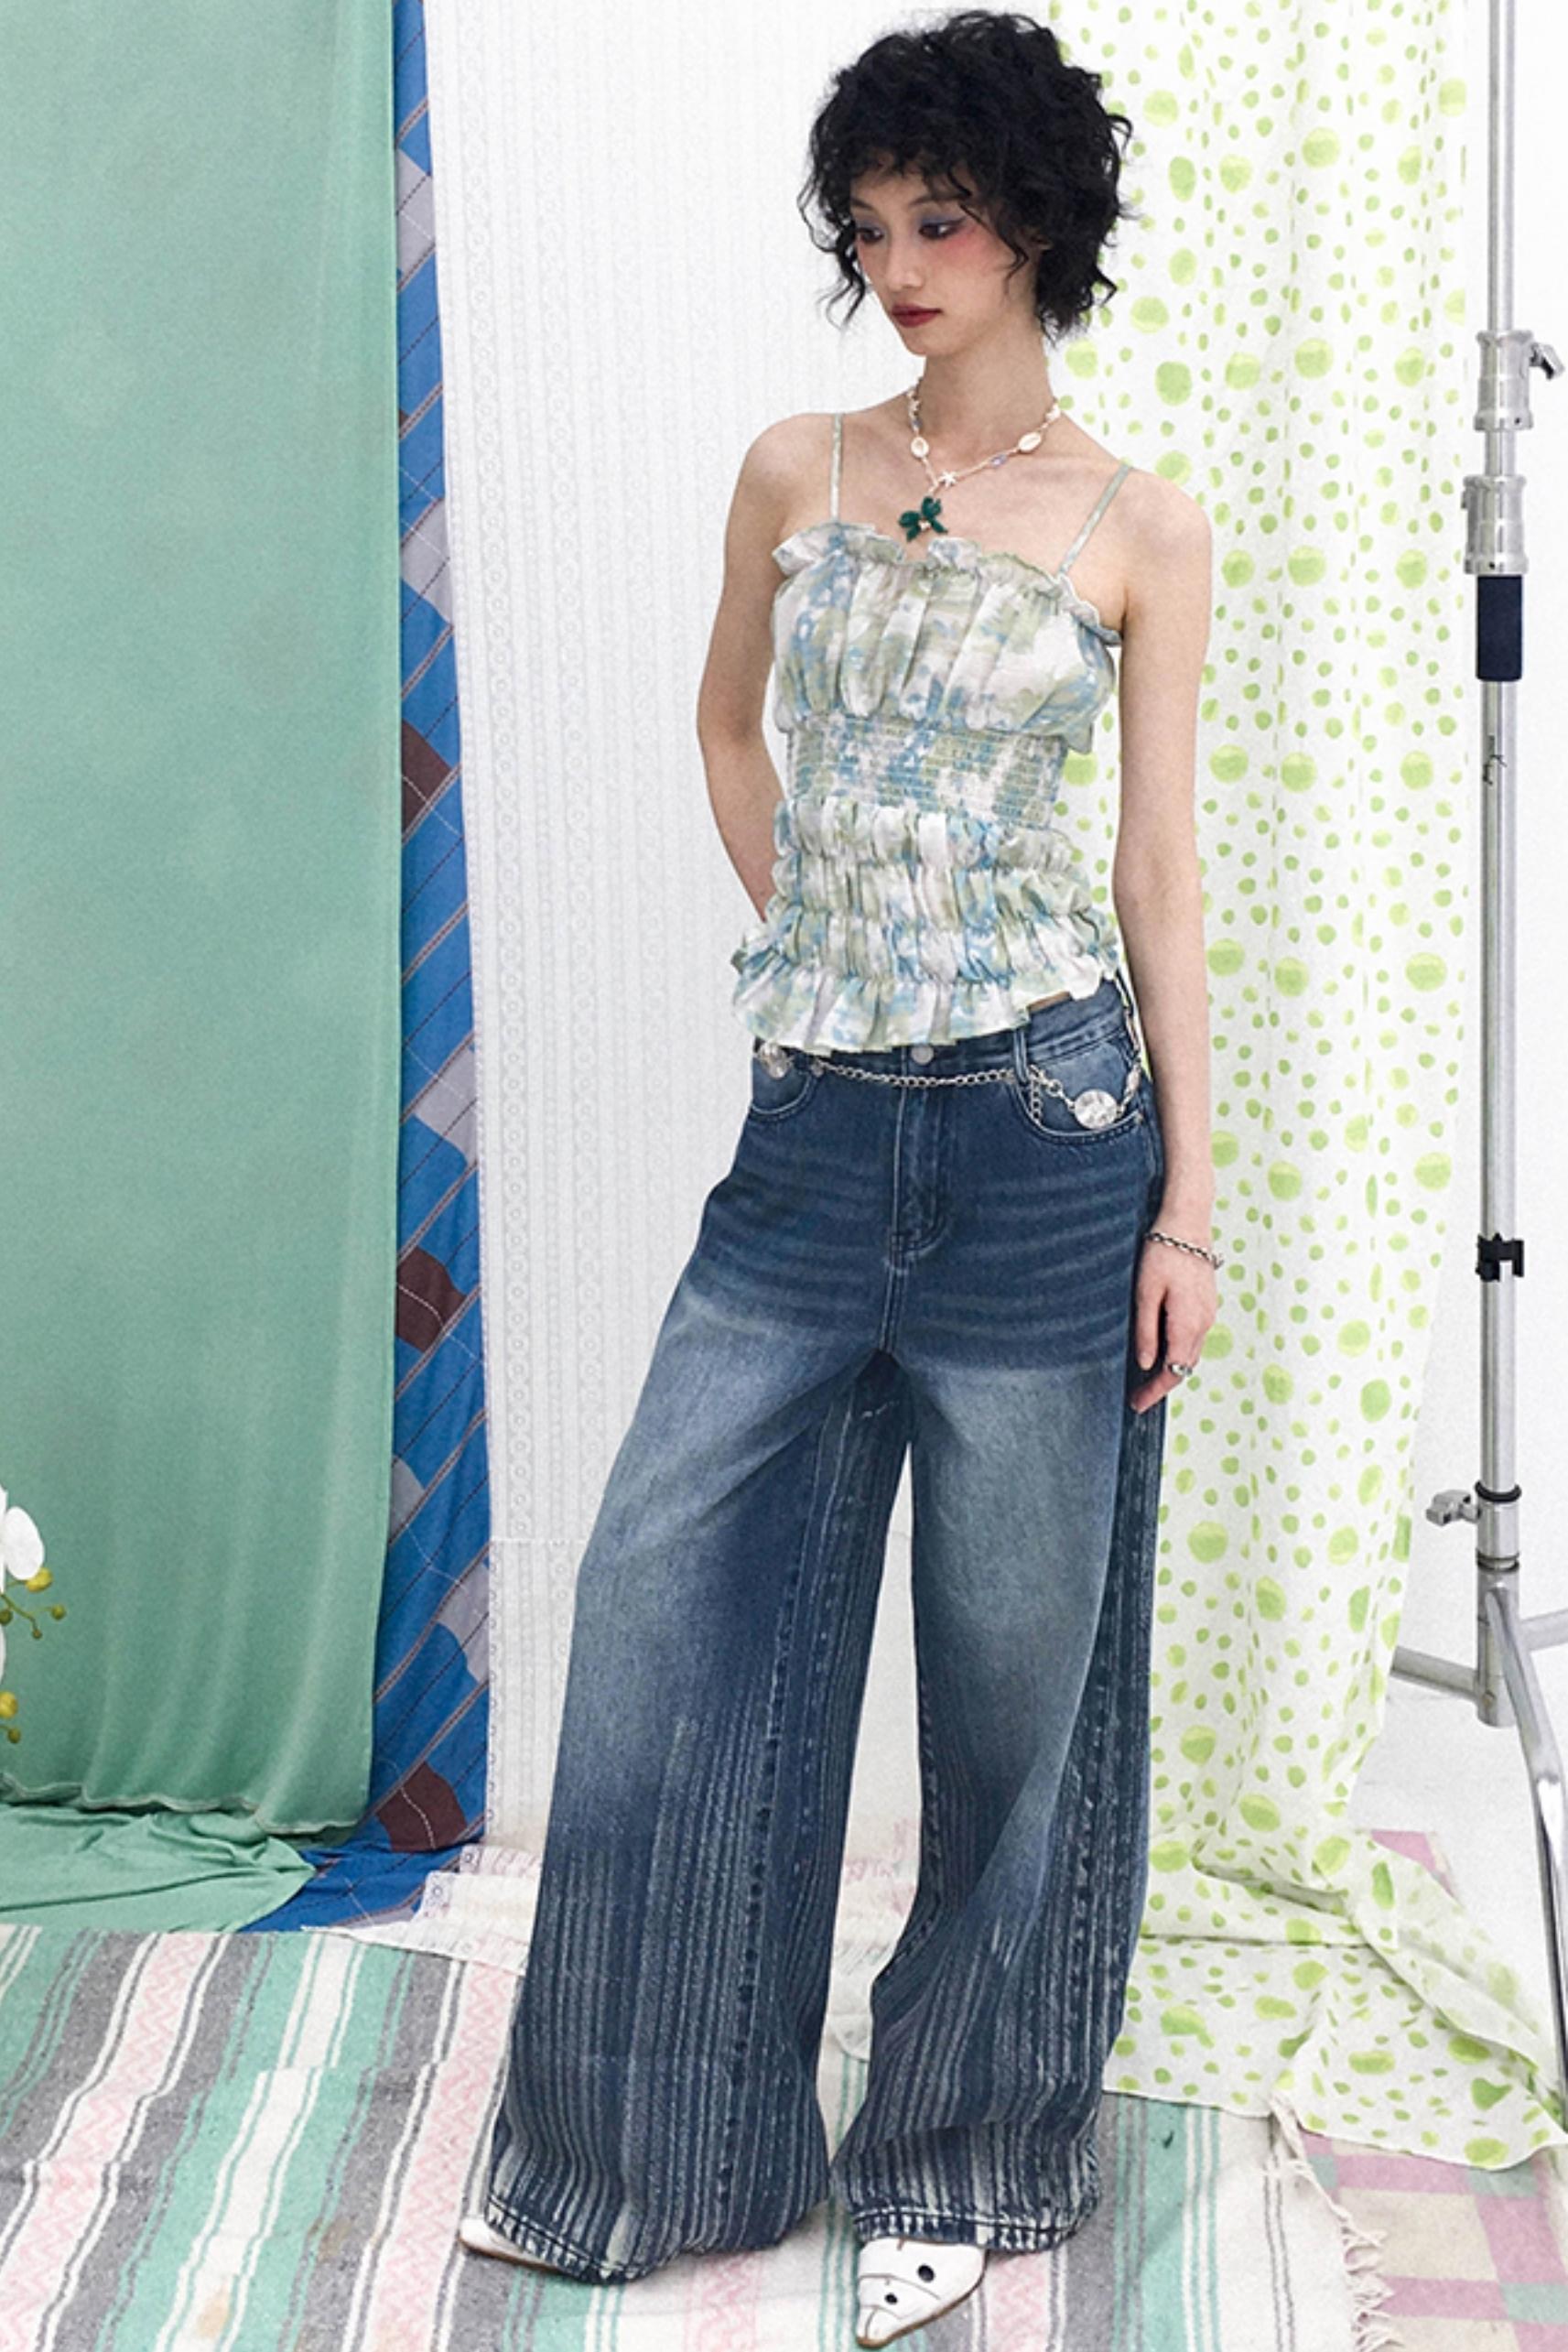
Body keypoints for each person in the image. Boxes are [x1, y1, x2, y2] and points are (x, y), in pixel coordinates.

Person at [460, 9, 1217, 2343]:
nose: (899, 263)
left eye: (940, 219)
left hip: (1045, 1145)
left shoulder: (1135, 526)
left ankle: (959, 2153)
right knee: (663, 1611)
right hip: (808, 1135)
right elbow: (724, 721)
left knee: (1013, 1687)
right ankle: (649, 2144)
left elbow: (1154, 871)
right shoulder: (793, 468)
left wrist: (1187, 1206)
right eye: (870, 223)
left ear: (1034, 226)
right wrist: (807, 923)